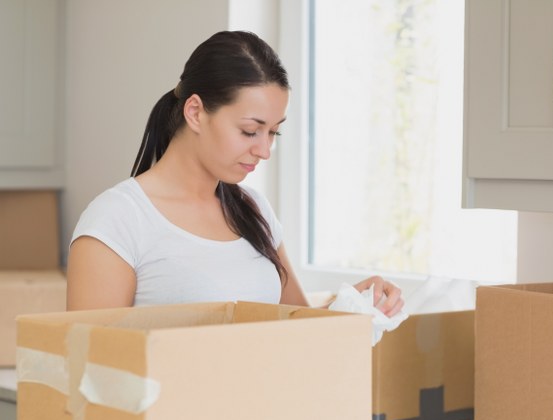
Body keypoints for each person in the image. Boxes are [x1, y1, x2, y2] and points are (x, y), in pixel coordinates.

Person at [66, 30, 404, 316]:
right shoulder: (117, 220)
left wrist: (353, 303)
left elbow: (297, 329)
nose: (264, 150)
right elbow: (90, 365)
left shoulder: (253, 210)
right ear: (196, 112)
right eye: (249, 130)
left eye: (274, 132)